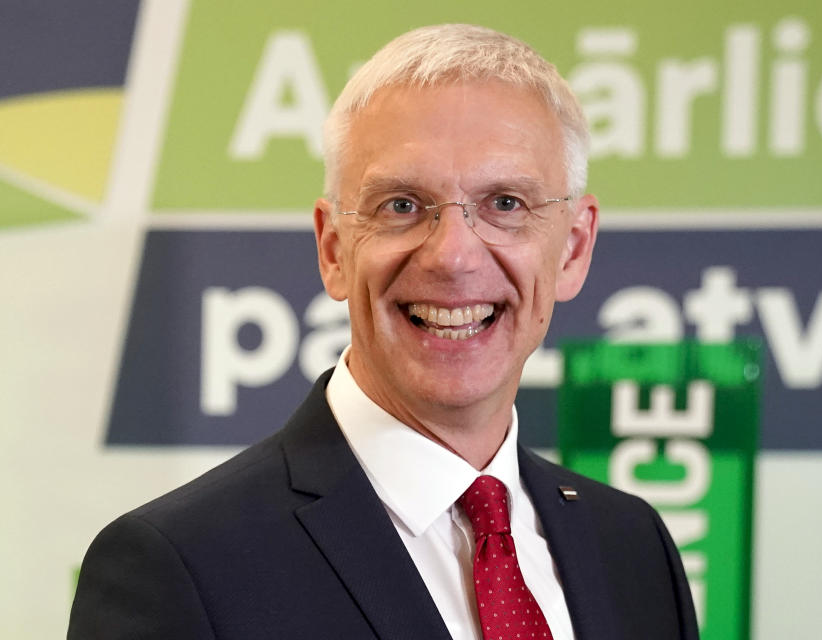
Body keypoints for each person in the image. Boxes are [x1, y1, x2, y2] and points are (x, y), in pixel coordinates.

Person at [69, 24, 698, 640]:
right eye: (401, 205)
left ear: (574, 248)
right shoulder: (178, 568)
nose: (453, 256)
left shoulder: (633, 548)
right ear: (334, 247)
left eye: (505, 203)